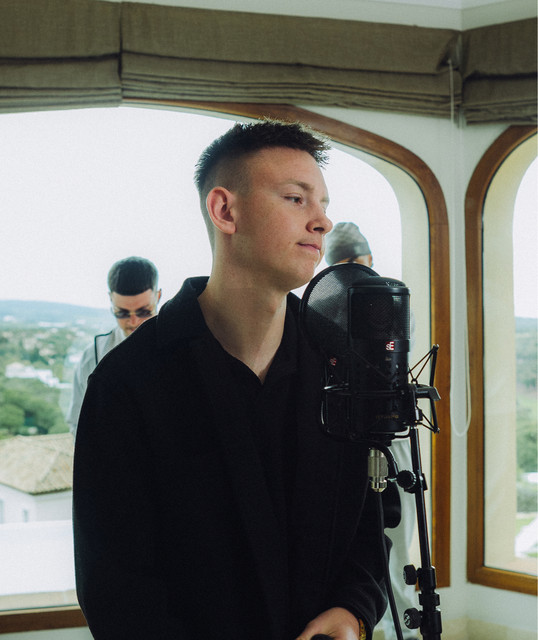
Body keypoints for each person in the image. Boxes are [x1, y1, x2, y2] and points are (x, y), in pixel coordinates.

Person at [73, 121, 390, 640]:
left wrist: (353, 611)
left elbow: (371, 526)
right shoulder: (126, 384)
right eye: (296, 198)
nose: (323, 221)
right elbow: (116, 585)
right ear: (225, 210)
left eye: (323, 203)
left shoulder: (343, 366)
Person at [325, 222, 420, 640]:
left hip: (391, 443)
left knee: (397, 548)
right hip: (343, 441)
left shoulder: (392, 309)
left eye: (362, 264)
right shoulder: (322, 314)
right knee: (359, 550)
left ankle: (404, 631)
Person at [67, 256, 161, 437]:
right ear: (111, 300)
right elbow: (78, 424)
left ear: (157, 297)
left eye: (144, 312)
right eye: (122, 313)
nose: (134, 321)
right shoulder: (93, 357)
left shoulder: (178, 347)